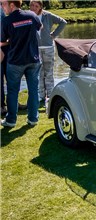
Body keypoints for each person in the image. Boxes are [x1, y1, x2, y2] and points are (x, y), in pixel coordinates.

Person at [1, 0, 42, 128]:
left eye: (3, 4)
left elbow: (2, 42)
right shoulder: (32, 15)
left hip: (15, 62)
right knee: (33, 90)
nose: (2, 6)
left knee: (12, 91)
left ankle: (11, 121)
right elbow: (40, 27)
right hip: (33, 60)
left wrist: (11, 40)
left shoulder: (6, 21)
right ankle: (33, 119)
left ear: (12, 5)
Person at [29, 0, 66, 102]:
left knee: (48, 73)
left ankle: (50, 95)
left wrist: (54, 34)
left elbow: (63, 22)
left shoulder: (48, 15)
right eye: (31, 5)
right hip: (35, 49)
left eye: (36, 6)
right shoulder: (29, 16)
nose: (33, 7)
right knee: (39, 73)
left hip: (48, 48)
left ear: (40, 7)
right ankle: (41, 96)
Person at [1, 5, 9, 115]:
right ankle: (1, 105)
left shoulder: (5, 5)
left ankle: (14, 103)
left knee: (11, 77)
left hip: (7, 48)